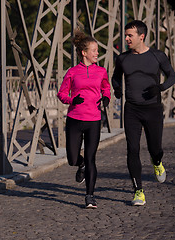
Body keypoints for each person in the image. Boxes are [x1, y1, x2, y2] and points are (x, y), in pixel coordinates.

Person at [112, 20, 175, 206]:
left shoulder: (158, 56)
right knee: (132, 149)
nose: (126, 39)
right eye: (125, 35)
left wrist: (161, 88)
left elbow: (172, 76)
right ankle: (138, 191)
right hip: (131, 109)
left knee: (155, 149)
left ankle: (157, 162)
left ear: (141, 36)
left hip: (153, 109)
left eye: (130, 35)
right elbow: (116, 77)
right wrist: (117, 89)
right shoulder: (123, 58)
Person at [57, 30, 111, 209]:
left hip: (94, 119)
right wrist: (72, 100)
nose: (97, 53)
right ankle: (79, 165)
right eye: (94, 50)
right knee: (72, 158)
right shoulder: (72, 72)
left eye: (97, 50)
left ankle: (90, 196)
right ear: (84, 52)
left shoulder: (101, 71)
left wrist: (106, 98)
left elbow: (106, 88)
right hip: (74, 118)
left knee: (91, 158)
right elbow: (62, 93)